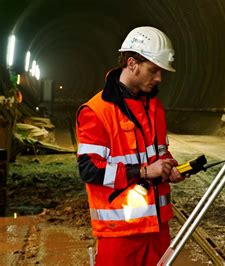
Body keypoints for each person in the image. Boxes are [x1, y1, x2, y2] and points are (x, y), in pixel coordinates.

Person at [76, 26, 185, 265]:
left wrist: (169, 166)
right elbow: (89, 169)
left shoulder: (155, 108)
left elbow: (159, 153)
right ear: (132, 63)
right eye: (153, 70)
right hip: (120, 232)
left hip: (157, 228)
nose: (159, 78)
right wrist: (145, 172)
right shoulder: (97, 111)